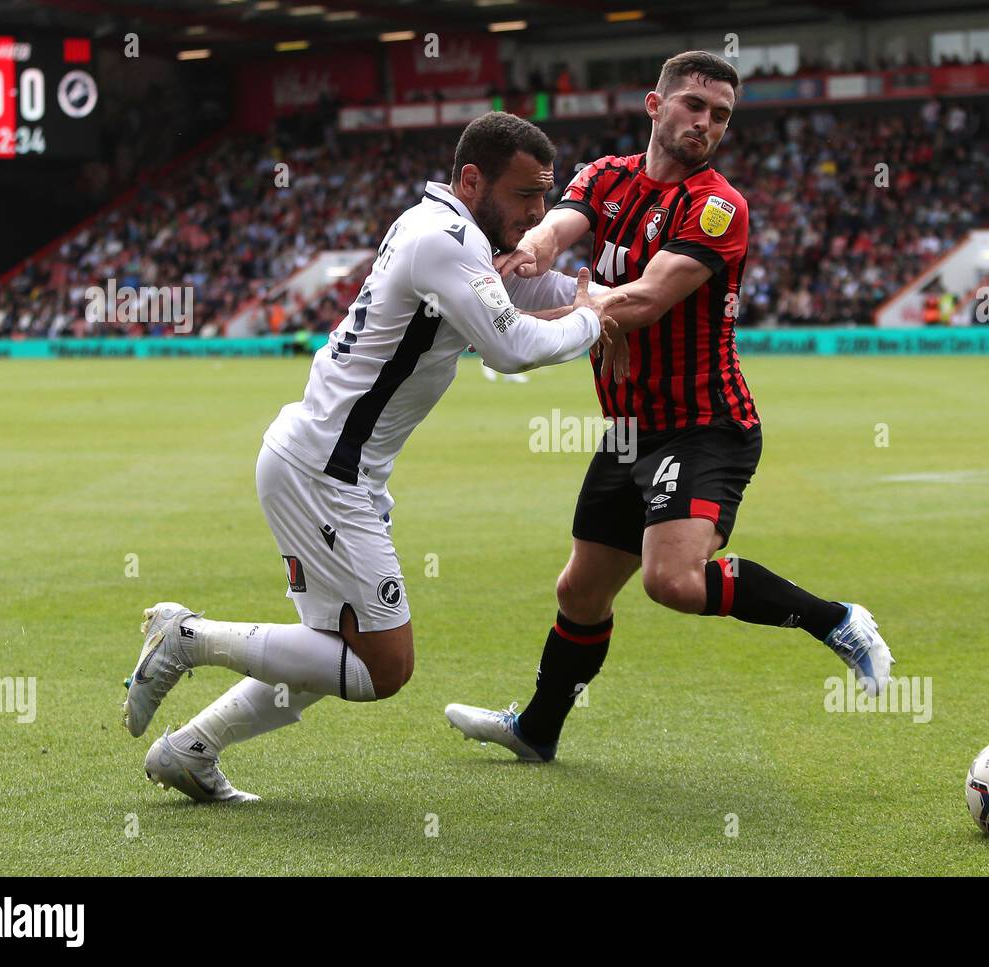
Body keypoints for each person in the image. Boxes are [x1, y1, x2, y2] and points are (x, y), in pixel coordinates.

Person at [121, 112, 625, 801]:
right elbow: (510, 347)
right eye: (524, 196)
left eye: (546, 196)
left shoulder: (444, 229)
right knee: (380, 666)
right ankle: (188, 636)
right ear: (471, 180)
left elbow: (526, 292)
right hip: (325, 473)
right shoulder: (445, 240)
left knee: (331, 649)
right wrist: (595, 320)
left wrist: (595, 295)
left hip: (322, 465)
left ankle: (191, 749)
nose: (538, 213)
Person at [444, 51, 894, 764]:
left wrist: (571, 307)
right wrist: (520, 258)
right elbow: (554, 230)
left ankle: (837, 619)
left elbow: (650, 298)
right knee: (581, 590)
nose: (706, 123)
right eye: (693, 105)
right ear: (656, 106)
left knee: (672, 580)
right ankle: (537, 729)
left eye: (720, 115)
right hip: (627, 429)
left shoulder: (719, 206)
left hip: (704, 423)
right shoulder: (604, 176)